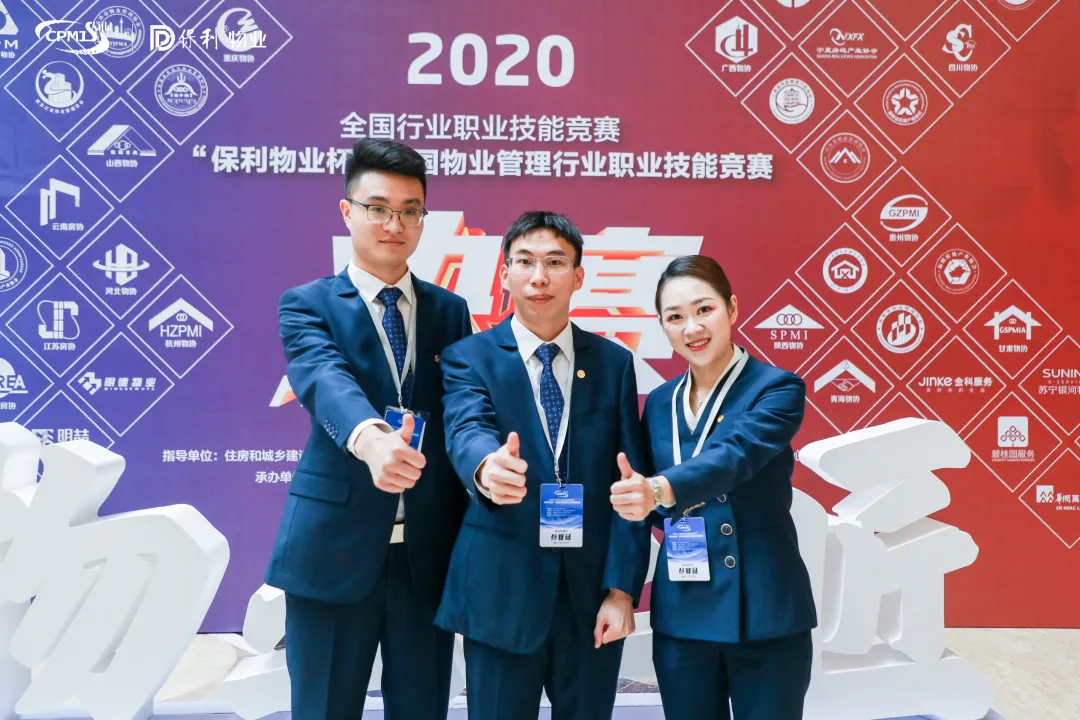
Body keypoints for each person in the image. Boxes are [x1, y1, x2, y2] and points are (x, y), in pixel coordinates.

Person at [264, 138, 472, 719]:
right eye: (378, 208)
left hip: (425, 557)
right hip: (332, 551)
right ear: (347, 211)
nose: (394, 224)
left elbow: (463, 411)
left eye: (410, 211)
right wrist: (372, 439)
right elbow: (323, 377)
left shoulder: (450, 311)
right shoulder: (307, 304)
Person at [436, 211, 650, 720]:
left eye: (555, 262)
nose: (539, 277)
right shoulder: (468, 357)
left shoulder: (613, 363)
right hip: (500, 594)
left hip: (590, 600)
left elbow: (630, 486)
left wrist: (622, 591)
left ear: (578, 276)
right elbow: (466, 428)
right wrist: (487, 468)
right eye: (525, 262)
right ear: (504, 273)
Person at [609, 254, 818, 720]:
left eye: (704, 309)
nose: (692, 328)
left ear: (732, 309)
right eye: (675, 317)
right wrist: (621, 585)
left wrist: (659, 489)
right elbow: (639, 497)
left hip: (764, 608)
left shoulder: (777, 388)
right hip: (683, 612)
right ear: (662, 327)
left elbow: (736, 454)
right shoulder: (659, 403)